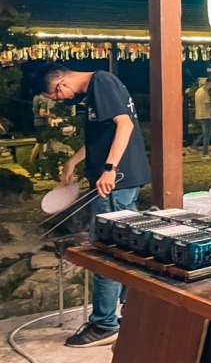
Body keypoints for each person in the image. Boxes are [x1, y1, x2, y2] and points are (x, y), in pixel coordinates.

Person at [38, 62, 151, 348]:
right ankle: (131, 312)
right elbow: (102, 137)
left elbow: (124, 125)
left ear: (60, 84)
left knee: (106, 250)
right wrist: (72, 161)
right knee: (126, 248)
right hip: (117, 181)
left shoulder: (101, 82)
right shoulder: (97, 90)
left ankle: (104, 324)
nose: (61, 101)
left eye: (56, 97)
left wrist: (110, 168)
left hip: (116, 181)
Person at [189, 77, 211, 159]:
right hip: (205, 115)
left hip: (199, 114)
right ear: (209, 83)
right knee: (207, 134)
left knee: (205, 133)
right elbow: (208, 107)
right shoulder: (204, 93)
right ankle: (204, 153)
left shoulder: (198, 91)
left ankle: (194, 146)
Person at [30, 93, 56, 162]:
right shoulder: (44, 98)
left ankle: (40, 161)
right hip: (42, 123)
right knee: (40, 143)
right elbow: (42, 113)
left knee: (41, 144)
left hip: (37, 122)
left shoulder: (36, 96)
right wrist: (51, 115)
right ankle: (31, 163)